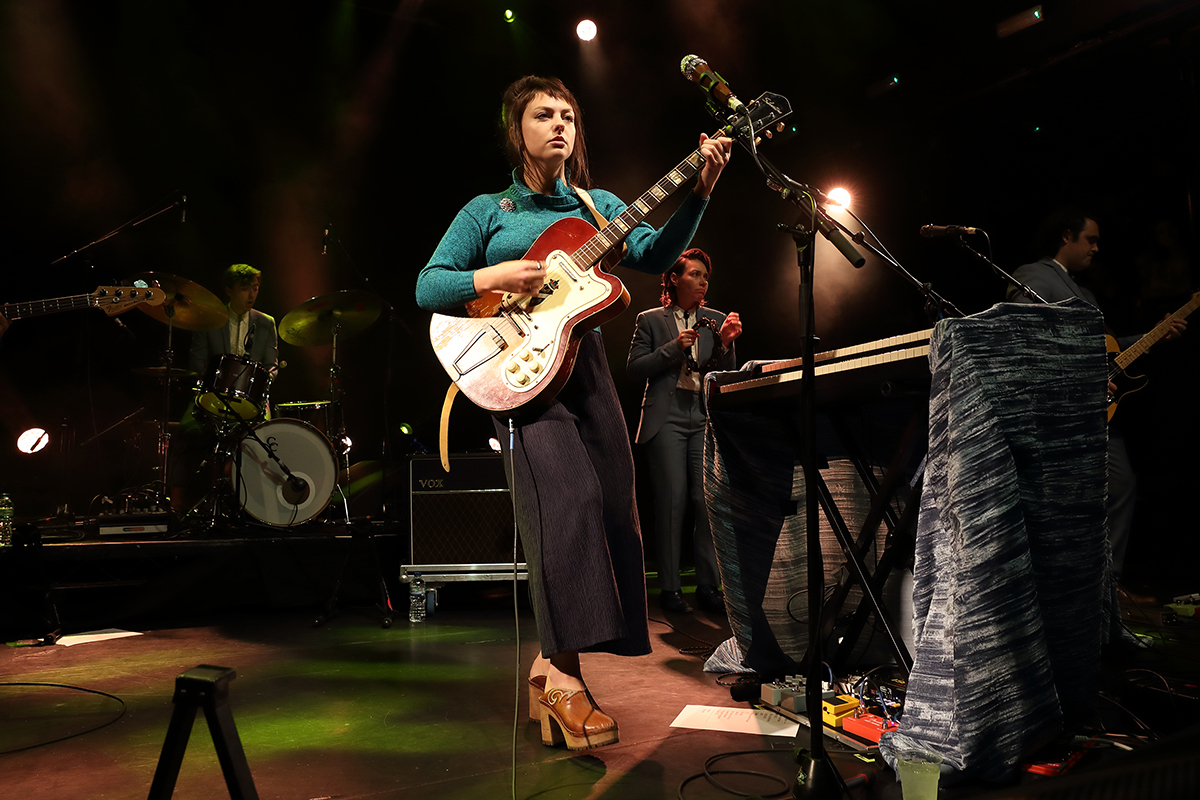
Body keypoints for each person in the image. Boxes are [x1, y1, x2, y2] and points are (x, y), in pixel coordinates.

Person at [416, 75, 732, 750]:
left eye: (567, 115)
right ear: (517, 129)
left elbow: (656, 255)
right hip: (518, 371)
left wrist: (700, 191)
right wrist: (494, 276)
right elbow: (428, 284)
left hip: (583, 367)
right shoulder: (488, 211)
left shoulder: (599, 206)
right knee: (568, 502)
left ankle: (551, 663)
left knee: (615, 505)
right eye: (543, 114)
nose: (559, 124)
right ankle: (564, 676)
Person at [1007, 207, 1185, 589]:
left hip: (1096, 410)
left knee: (1121, 486)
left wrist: (1154, 335)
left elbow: (1107, 349)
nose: (1096, 248)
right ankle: (1060, 585)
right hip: (1062, 408)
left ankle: (1106, 585)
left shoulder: (1085, 292)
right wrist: (1079, 375)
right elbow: (1026, 333)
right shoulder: (1034, 274)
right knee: (1066, 499)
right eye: (1090, 239)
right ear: (1066, 236)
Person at [627, 248, 741, 614]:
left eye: (705, 276)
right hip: (667, 416)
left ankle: (708, 585)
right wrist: (673, 348)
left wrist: (726, 343)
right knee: (672, 501)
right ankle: (670, 588)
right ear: (674, 279)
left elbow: (726, 375)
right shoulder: (650, 319)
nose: (702, 281)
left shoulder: (715, 320)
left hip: (702, 415)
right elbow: (635, 368)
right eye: (695, 274)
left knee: (706, 501)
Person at [169, 263, 279, 513]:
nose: (252, 294)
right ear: (229, 290)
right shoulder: (210, 319)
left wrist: (263, 384)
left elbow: (271, 366)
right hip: (212, 397)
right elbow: (197, 362)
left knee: (263, 444)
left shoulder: (266, 322)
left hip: (252, 401)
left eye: (255, 288)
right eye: (245, 289)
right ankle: (175, 507)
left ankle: (254, 509)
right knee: (184, 436)